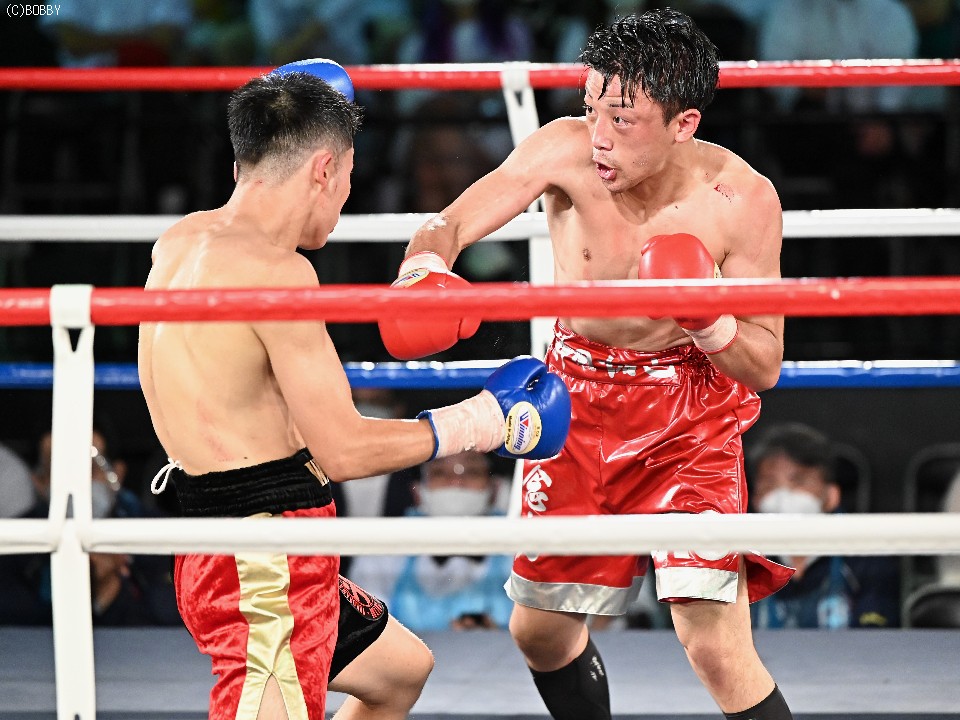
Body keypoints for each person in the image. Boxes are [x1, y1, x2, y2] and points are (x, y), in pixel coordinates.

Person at [378, 9, 795, 720]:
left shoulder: (743, 200)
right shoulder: (564, 152)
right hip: (575, 402)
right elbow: (449, 223)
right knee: (539, 632)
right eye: (591, 107)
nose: (599, 134)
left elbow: (764, 363)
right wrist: (422, 271)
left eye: (623, 120)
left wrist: (707, 319)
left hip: (688, 416)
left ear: (684, 123)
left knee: (715, 647)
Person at [137, 60, 571, 720]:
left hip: (235, 534)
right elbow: (342, 450)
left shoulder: (181, 240)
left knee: (399, 673)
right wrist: (482, 421)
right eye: (347, 177)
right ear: (324, 169)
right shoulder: (278, 274)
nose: (344, 201)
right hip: (264, 559)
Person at [0, 428, 180, 626]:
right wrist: (62, 583)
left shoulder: (165, 536)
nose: (76, 483)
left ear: (117, 473)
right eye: (59, 470)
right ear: (40, 482)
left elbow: (176, 621)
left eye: (91, 468)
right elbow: (13, 627)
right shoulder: (15, 542)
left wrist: (111, 592)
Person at [748, 423, 901, 630]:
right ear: (755, 499)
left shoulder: (869, 558)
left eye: (798, 482)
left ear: (831, 496)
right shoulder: (736, 560)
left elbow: (876, 638)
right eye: (769, 485)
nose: (782, 497)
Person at [349, 450, 514, 632]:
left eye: (472, 472)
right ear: (418, 491)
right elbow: (367, 632)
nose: (456, 482)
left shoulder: (521, 542)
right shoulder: (383, 548)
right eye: (440, 473)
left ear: (494, 489)